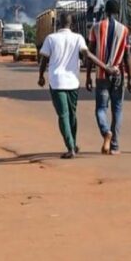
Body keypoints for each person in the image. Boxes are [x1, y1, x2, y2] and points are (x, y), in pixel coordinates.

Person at [39, 13, 115, 159]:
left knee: (63, 115)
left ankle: (70, 147)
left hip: (57, 83)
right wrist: (105, 67)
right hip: (73, 82)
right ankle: (72, 143)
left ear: (58, 23)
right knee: (72, 115)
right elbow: (88, 55)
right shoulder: (78, 38)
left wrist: (41, 76)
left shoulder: (51, 38)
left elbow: (44, 59)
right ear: (72, 24)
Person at [86, 0, 131, 155]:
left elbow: (90, 54)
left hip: (101, 75)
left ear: (105, 11)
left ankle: (106, 131)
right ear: (118, 12)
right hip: (118, 74)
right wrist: (130, 79)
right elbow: (127, 56)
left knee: (101, 109)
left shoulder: (95, 27)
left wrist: (87, 76)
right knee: (117, 110)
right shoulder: (125, 30)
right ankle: (114, 146)